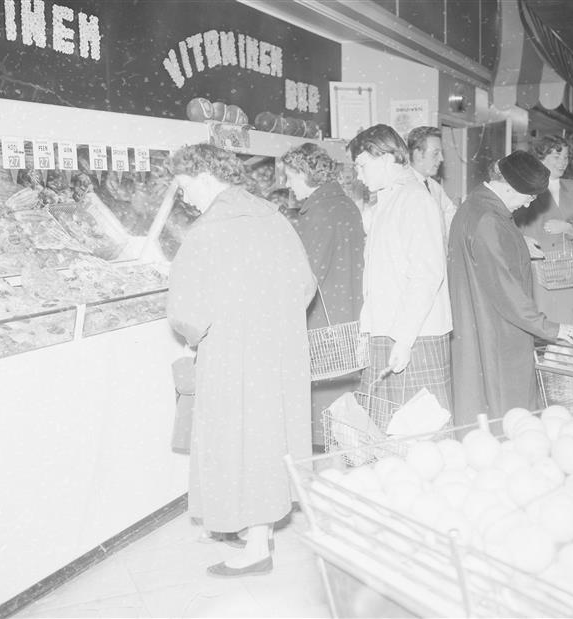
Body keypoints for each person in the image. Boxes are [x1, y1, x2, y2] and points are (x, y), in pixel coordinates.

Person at [165, 143, 316, 577]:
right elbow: (305, 284)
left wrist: (198, 333)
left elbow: (187, 314)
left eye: (184, 185)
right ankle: (261, 532)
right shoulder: (272, 217)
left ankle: (255, 549)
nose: (184, 196)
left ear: (204, 176)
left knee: (237, 442)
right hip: (281, 352)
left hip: (233, 354)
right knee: (270, 438)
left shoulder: (208, 229)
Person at [448, 150, 573, 426]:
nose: (528, 204)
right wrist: (553, 329)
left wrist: (520, 245)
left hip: (482, 324)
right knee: (509, 416)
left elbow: (490, 258)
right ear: (509, 186)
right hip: (497, 333)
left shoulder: (475, 206)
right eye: (529, 197)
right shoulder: (489, 220)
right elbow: (507, 292)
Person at [348, 124, 452, 411]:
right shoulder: (387, 201)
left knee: (422, 440)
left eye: (361, 165)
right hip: (390, 331)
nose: (358, 174)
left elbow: (426, 276)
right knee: (390, 434)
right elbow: (377, 278)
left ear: (382, 157)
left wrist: (404, 339)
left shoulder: (415, 200)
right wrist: (366, 332)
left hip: (414, 336)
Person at [281, 143, 365, 446]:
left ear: (305, 174)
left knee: (324, 418)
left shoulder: (318, 213)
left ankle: (327, 480)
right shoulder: (345, 205)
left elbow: (303, 278)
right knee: (346, 411)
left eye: (290, 176)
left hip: (322, 327)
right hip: (347, 318)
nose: (287, 184)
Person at [513, 136, 573, 323]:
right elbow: (512, 226)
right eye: (557, 157)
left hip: (568, 269)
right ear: (540, 158)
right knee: (543, 323)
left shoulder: (572, 188)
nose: (563, 162)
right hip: (539, 270)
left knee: (569, 325)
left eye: (566, 157)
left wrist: (569, 228)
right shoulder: (525, 187)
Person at [407, 126, 458, 245]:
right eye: (436, 153)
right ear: (418, 155)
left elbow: (452, 217)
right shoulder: (402, 187)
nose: (441, 158)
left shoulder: (434, 187)